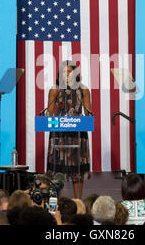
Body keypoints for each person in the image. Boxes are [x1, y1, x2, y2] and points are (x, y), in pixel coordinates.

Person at [45, 60, 92, 199]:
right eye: (64, 72)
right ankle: (56, 203)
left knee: (77, 172)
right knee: (57, 173)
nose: (66, 74)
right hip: (59, 135)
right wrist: (50, 117)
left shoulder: (83, 90)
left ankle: (78, 202)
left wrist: (87, 118)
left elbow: (88, 113)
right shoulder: (55, 90)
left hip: (78, 134)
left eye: (69, 71)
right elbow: (49, 114)